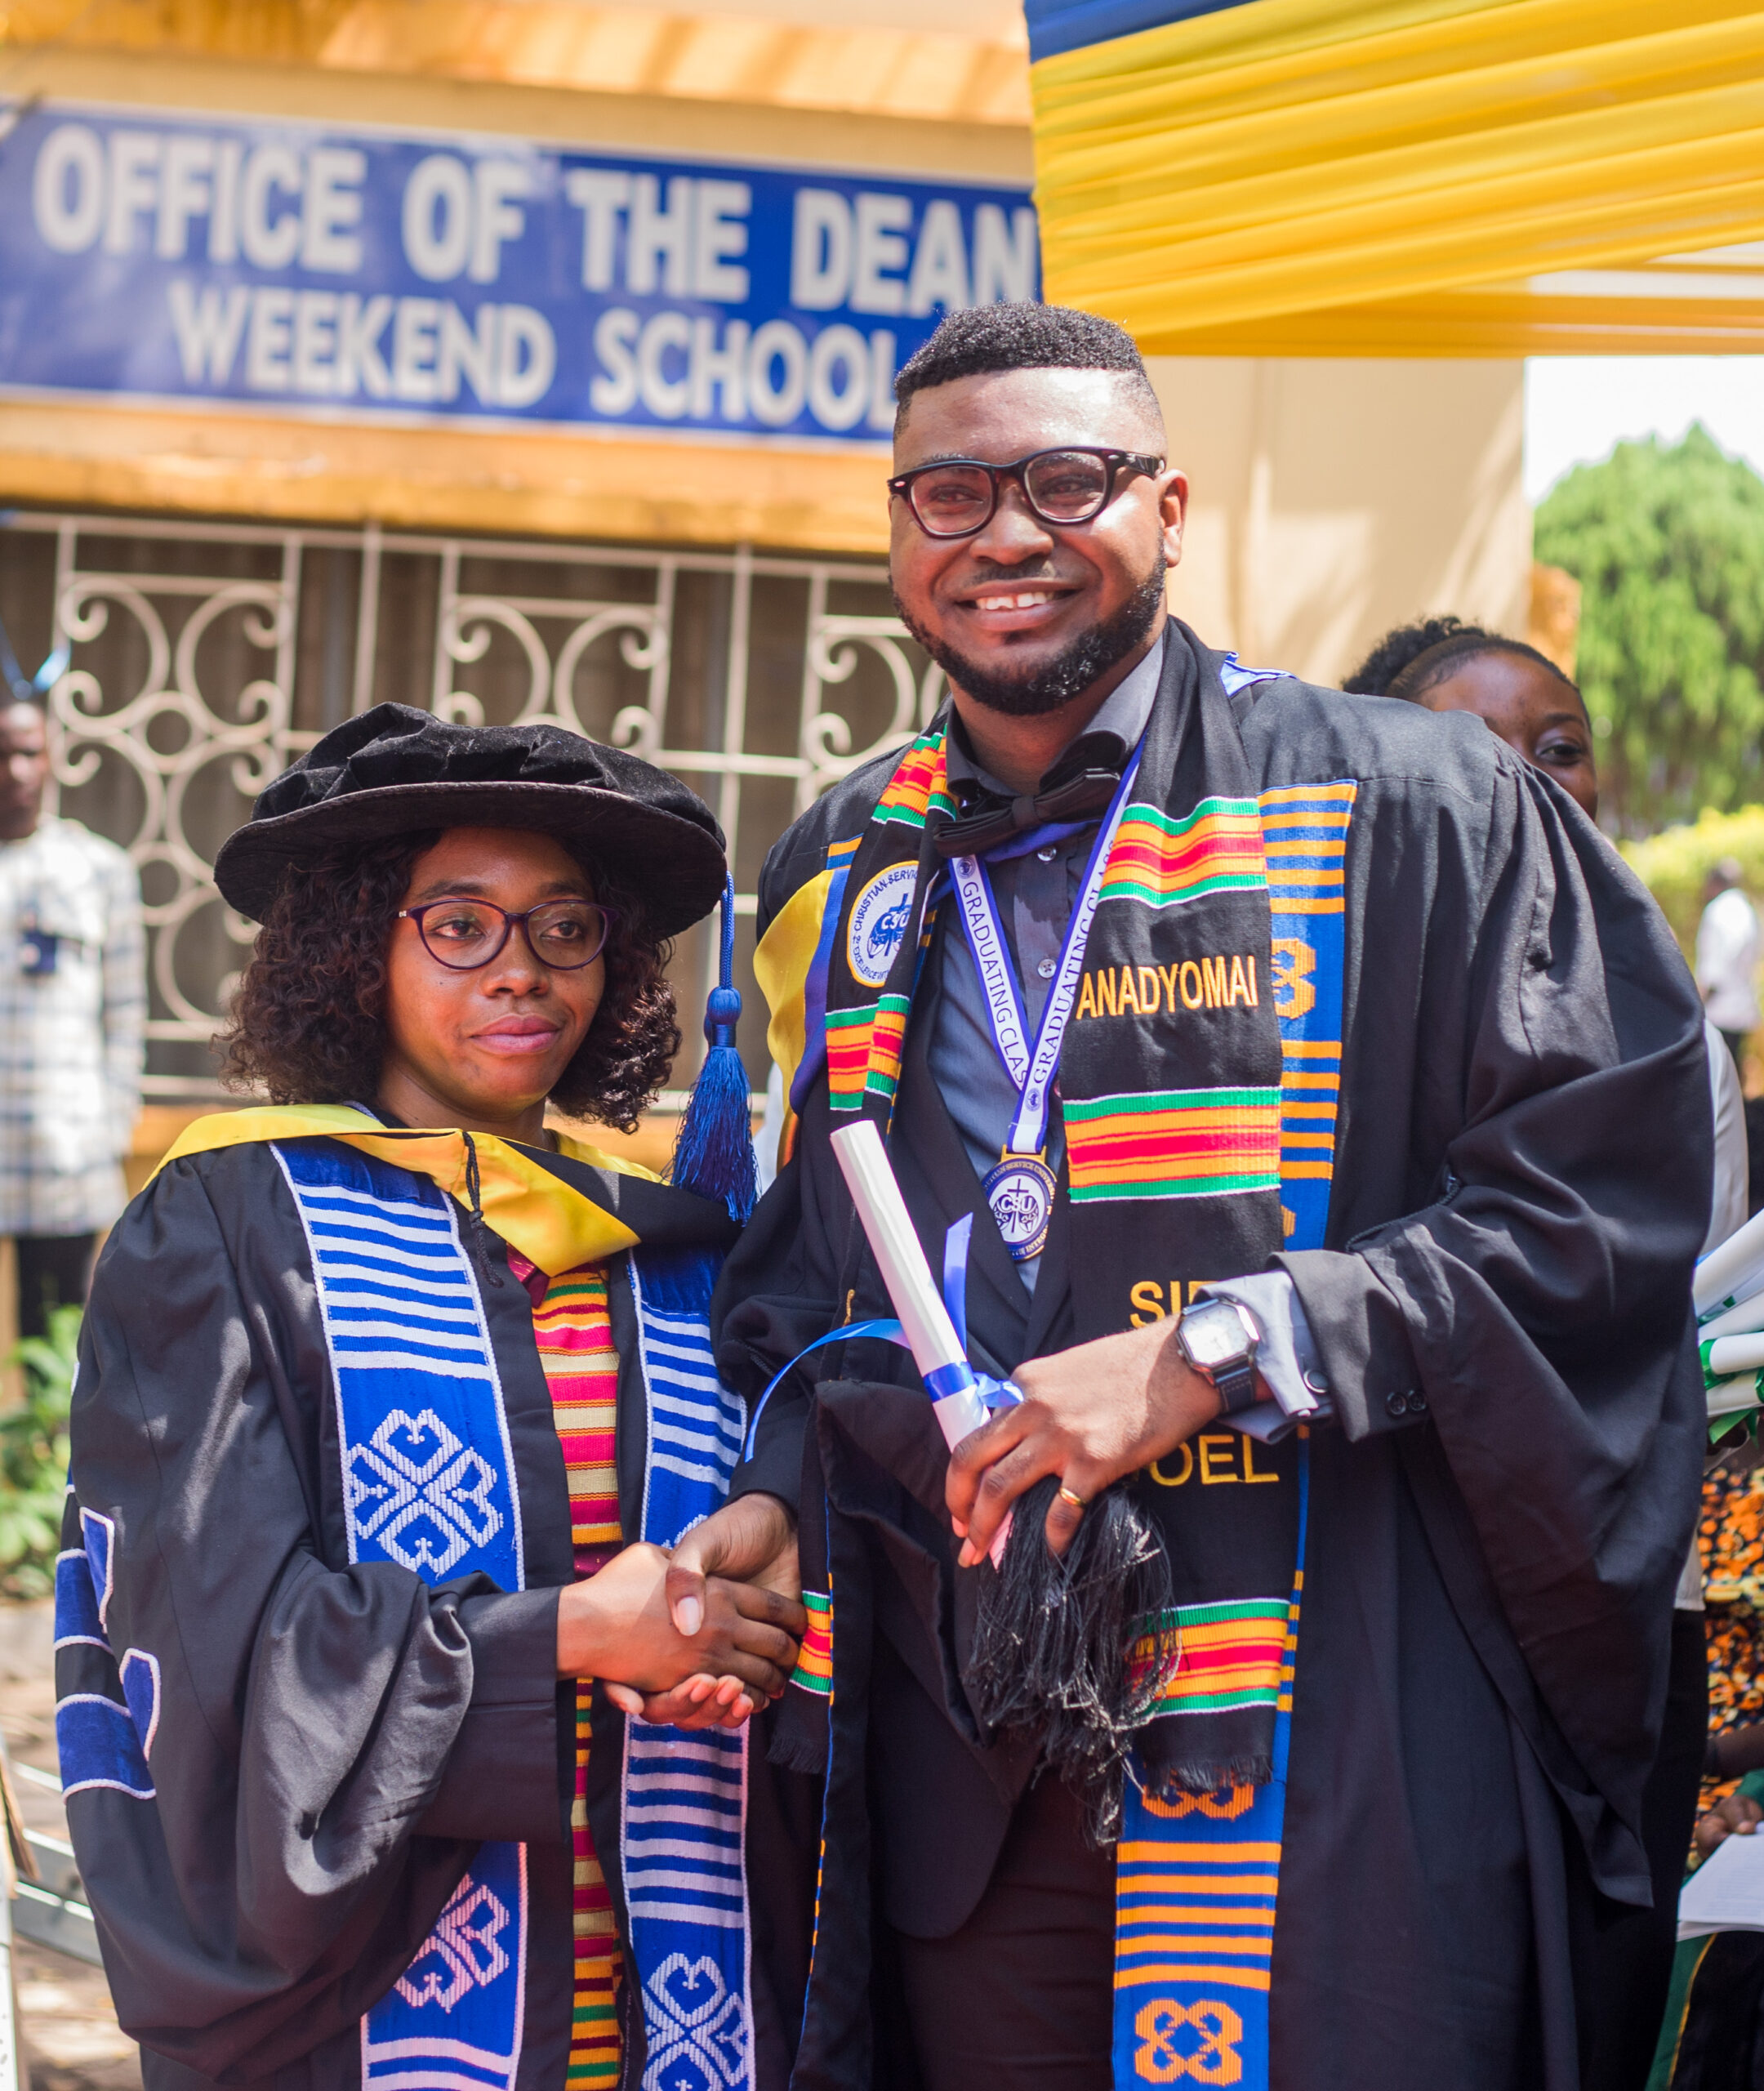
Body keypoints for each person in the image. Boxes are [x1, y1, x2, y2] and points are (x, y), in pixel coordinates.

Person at [701, 304, 1710, 2091]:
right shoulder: (844, 867)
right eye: (950, 492)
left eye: (1066, 480)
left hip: (1329, 1740)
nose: (1005, 534)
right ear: (896, 528)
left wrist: (1221, 1351)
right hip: (969, 1761)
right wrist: (779, 1491)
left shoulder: (1415, 808)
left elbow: (1592, 1207)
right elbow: (812, 1274)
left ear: (1170, 508)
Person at [53, 705, 810, 2091]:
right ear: (361, 951)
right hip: (371, 2012)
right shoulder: (234, 1226)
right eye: (458, 925)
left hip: (668, 1993)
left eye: (565, 927)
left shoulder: (680, 1254)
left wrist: (745, 1619)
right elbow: (211, 1632)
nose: (521, 970)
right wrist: (569, 1636)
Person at [1347, 614, 1748, 2091]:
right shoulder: (1315, 1018)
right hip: (1377, 1599)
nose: (1524, 777)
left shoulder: (1666, 1032)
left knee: (1581, 2005)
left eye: (1559, 747)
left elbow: (1663, 1310)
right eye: (1468, 747)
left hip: (1610, 1597)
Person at [0, 693, 142, 1335]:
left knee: (58, 1335)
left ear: (51, 758)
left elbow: (125, 1011)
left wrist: (111, 1126)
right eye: (3, 754)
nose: (16, 770)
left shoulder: (98, 868)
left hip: (63, 1149)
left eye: (28, 753)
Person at [1696, 859, 1760, 1074]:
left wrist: (1700, 1001)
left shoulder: (1719, 910)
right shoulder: (1747, 910)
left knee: (1718, 1073)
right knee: (1733, 1069)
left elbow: (1716, 968)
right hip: (1741, 1005)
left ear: (1714, 883)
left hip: (1720, 1009)